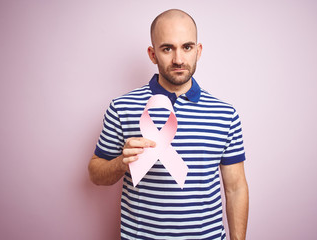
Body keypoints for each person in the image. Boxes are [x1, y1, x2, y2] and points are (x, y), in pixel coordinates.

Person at [88, 9, 249, 240]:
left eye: (187, 47)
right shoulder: (121, 107)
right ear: (152, 54)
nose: (178, 59)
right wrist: (121, 164)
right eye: (167, 48)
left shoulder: (226, 114)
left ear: (198, 51)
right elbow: (95, 173)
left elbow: (235, 188)